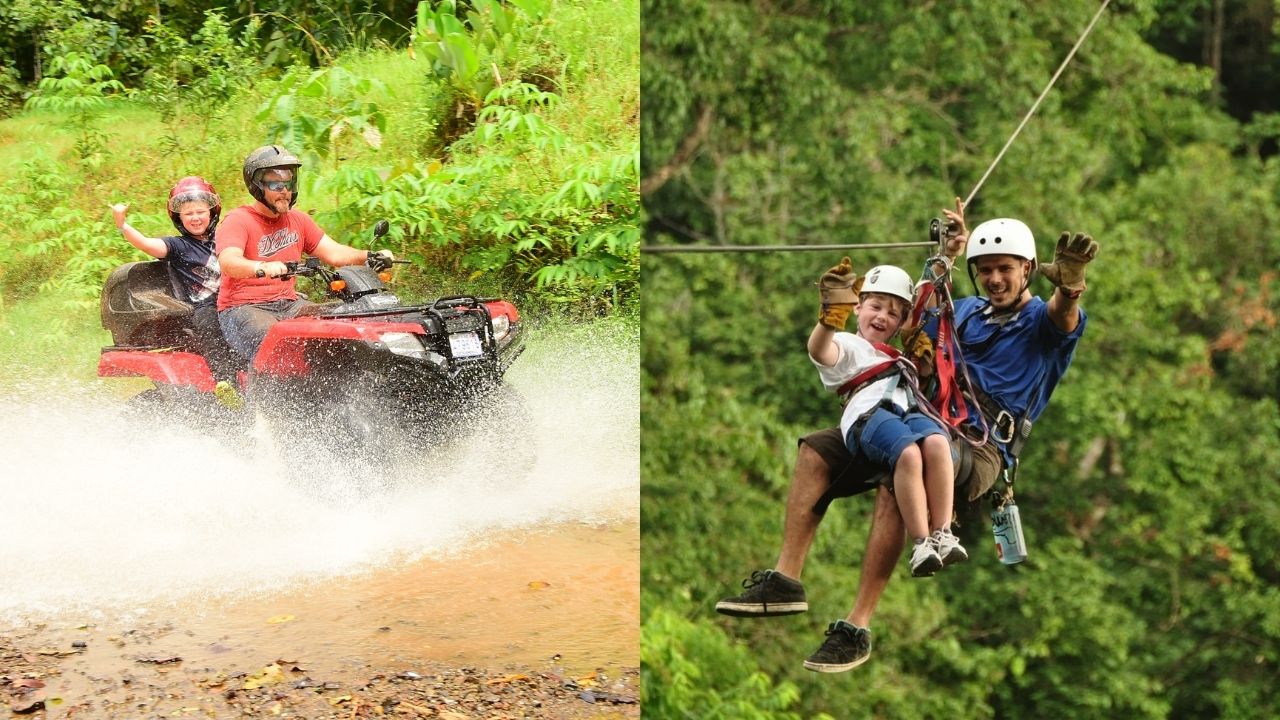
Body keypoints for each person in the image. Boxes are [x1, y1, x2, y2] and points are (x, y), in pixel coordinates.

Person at [716, 199, 1098, 674]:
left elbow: (1064, 317)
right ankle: (786, 580)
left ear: (1027, 269)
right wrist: (948, 254)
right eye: (987, 271)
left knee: (901, 474)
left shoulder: (1042, 320)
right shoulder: (965, 313)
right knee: (817, 450)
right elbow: (917, 315)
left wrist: (1072, 285)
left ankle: (857, 626)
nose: (996, 279)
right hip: (915, 411)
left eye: (1005, 269)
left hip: (977, 446)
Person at [803, 261, 964, 581]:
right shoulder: (849, 346)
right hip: (869, 415)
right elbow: (820, 351)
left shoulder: (897, 357)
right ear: (858, 306)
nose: (881, 317)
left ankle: (942, 532)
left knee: (937, 442)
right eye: (875, 306)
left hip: (905, 411)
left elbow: (921, 306)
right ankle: (921, 542)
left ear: (900, 323)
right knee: (908, 453)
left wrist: (946, 259)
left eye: (892, 314)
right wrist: (829, 319)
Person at [215, 145, 395, 363]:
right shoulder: (239, 220)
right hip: (243, 308)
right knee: (278, 344)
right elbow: (229, 261)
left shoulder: (298, 220)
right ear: (257, 186)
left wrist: (369, 256)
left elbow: (335, 253)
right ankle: (262, 397)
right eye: (275, 183)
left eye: (288, 183)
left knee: (342, 321)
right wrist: (260, 267)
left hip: (290, 304)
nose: (284, 190)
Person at [111, 176, 239, 381]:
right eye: (188, 213)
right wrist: (122, 224)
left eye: (200, 212)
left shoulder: (227, 237)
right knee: (210, 325)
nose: (195, 218)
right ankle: (226, 382)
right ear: (179, 218)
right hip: (204, 308)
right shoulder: (178, 246)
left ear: (212, 212)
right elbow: (146, 244)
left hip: (235, 301)